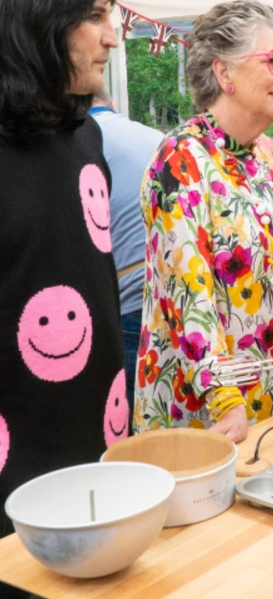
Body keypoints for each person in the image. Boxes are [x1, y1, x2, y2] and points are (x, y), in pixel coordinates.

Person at [137, 0, 273, 443]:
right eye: (272, 61)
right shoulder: (181, 159)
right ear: (224, 73)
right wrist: (227, 401)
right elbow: (187, 295)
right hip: (206, 417)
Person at [0, 0, 126, 537]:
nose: (114, 36)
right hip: (13, 467)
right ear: (39, 25)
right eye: (96, 16)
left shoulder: (85, 137)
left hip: (98, 438)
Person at [90, 90, 163, 414]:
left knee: (129, 425)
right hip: (174, 302)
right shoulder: (159, 137)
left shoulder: (83, 142)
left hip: (128, 305)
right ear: (114, 106)